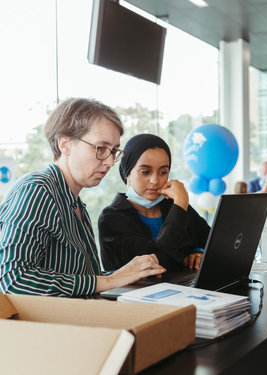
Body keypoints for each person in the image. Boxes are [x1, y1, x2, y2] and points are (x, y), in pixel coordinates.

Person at [0, 98, 165, 297]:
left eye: (114, 151)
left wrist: (125, 275)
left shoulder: (75, 203)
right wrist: (111, 280)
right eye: (101, 149)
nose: (111, 162)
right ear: (65, 144)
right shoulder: (37, 190)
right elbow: (13, 280)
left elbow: (83, 280)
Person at [99, 134, 210, 274]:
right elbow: (157, 261)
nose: (155, 180)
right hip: (137, 294)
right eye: (145, 172)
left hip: (185, 290)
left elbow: (212, 241)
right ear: (127, 173)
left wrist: (199, 253)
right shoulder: (111, 218)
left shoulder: (172, 206)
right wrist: (180, 204)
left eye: (163, 172)